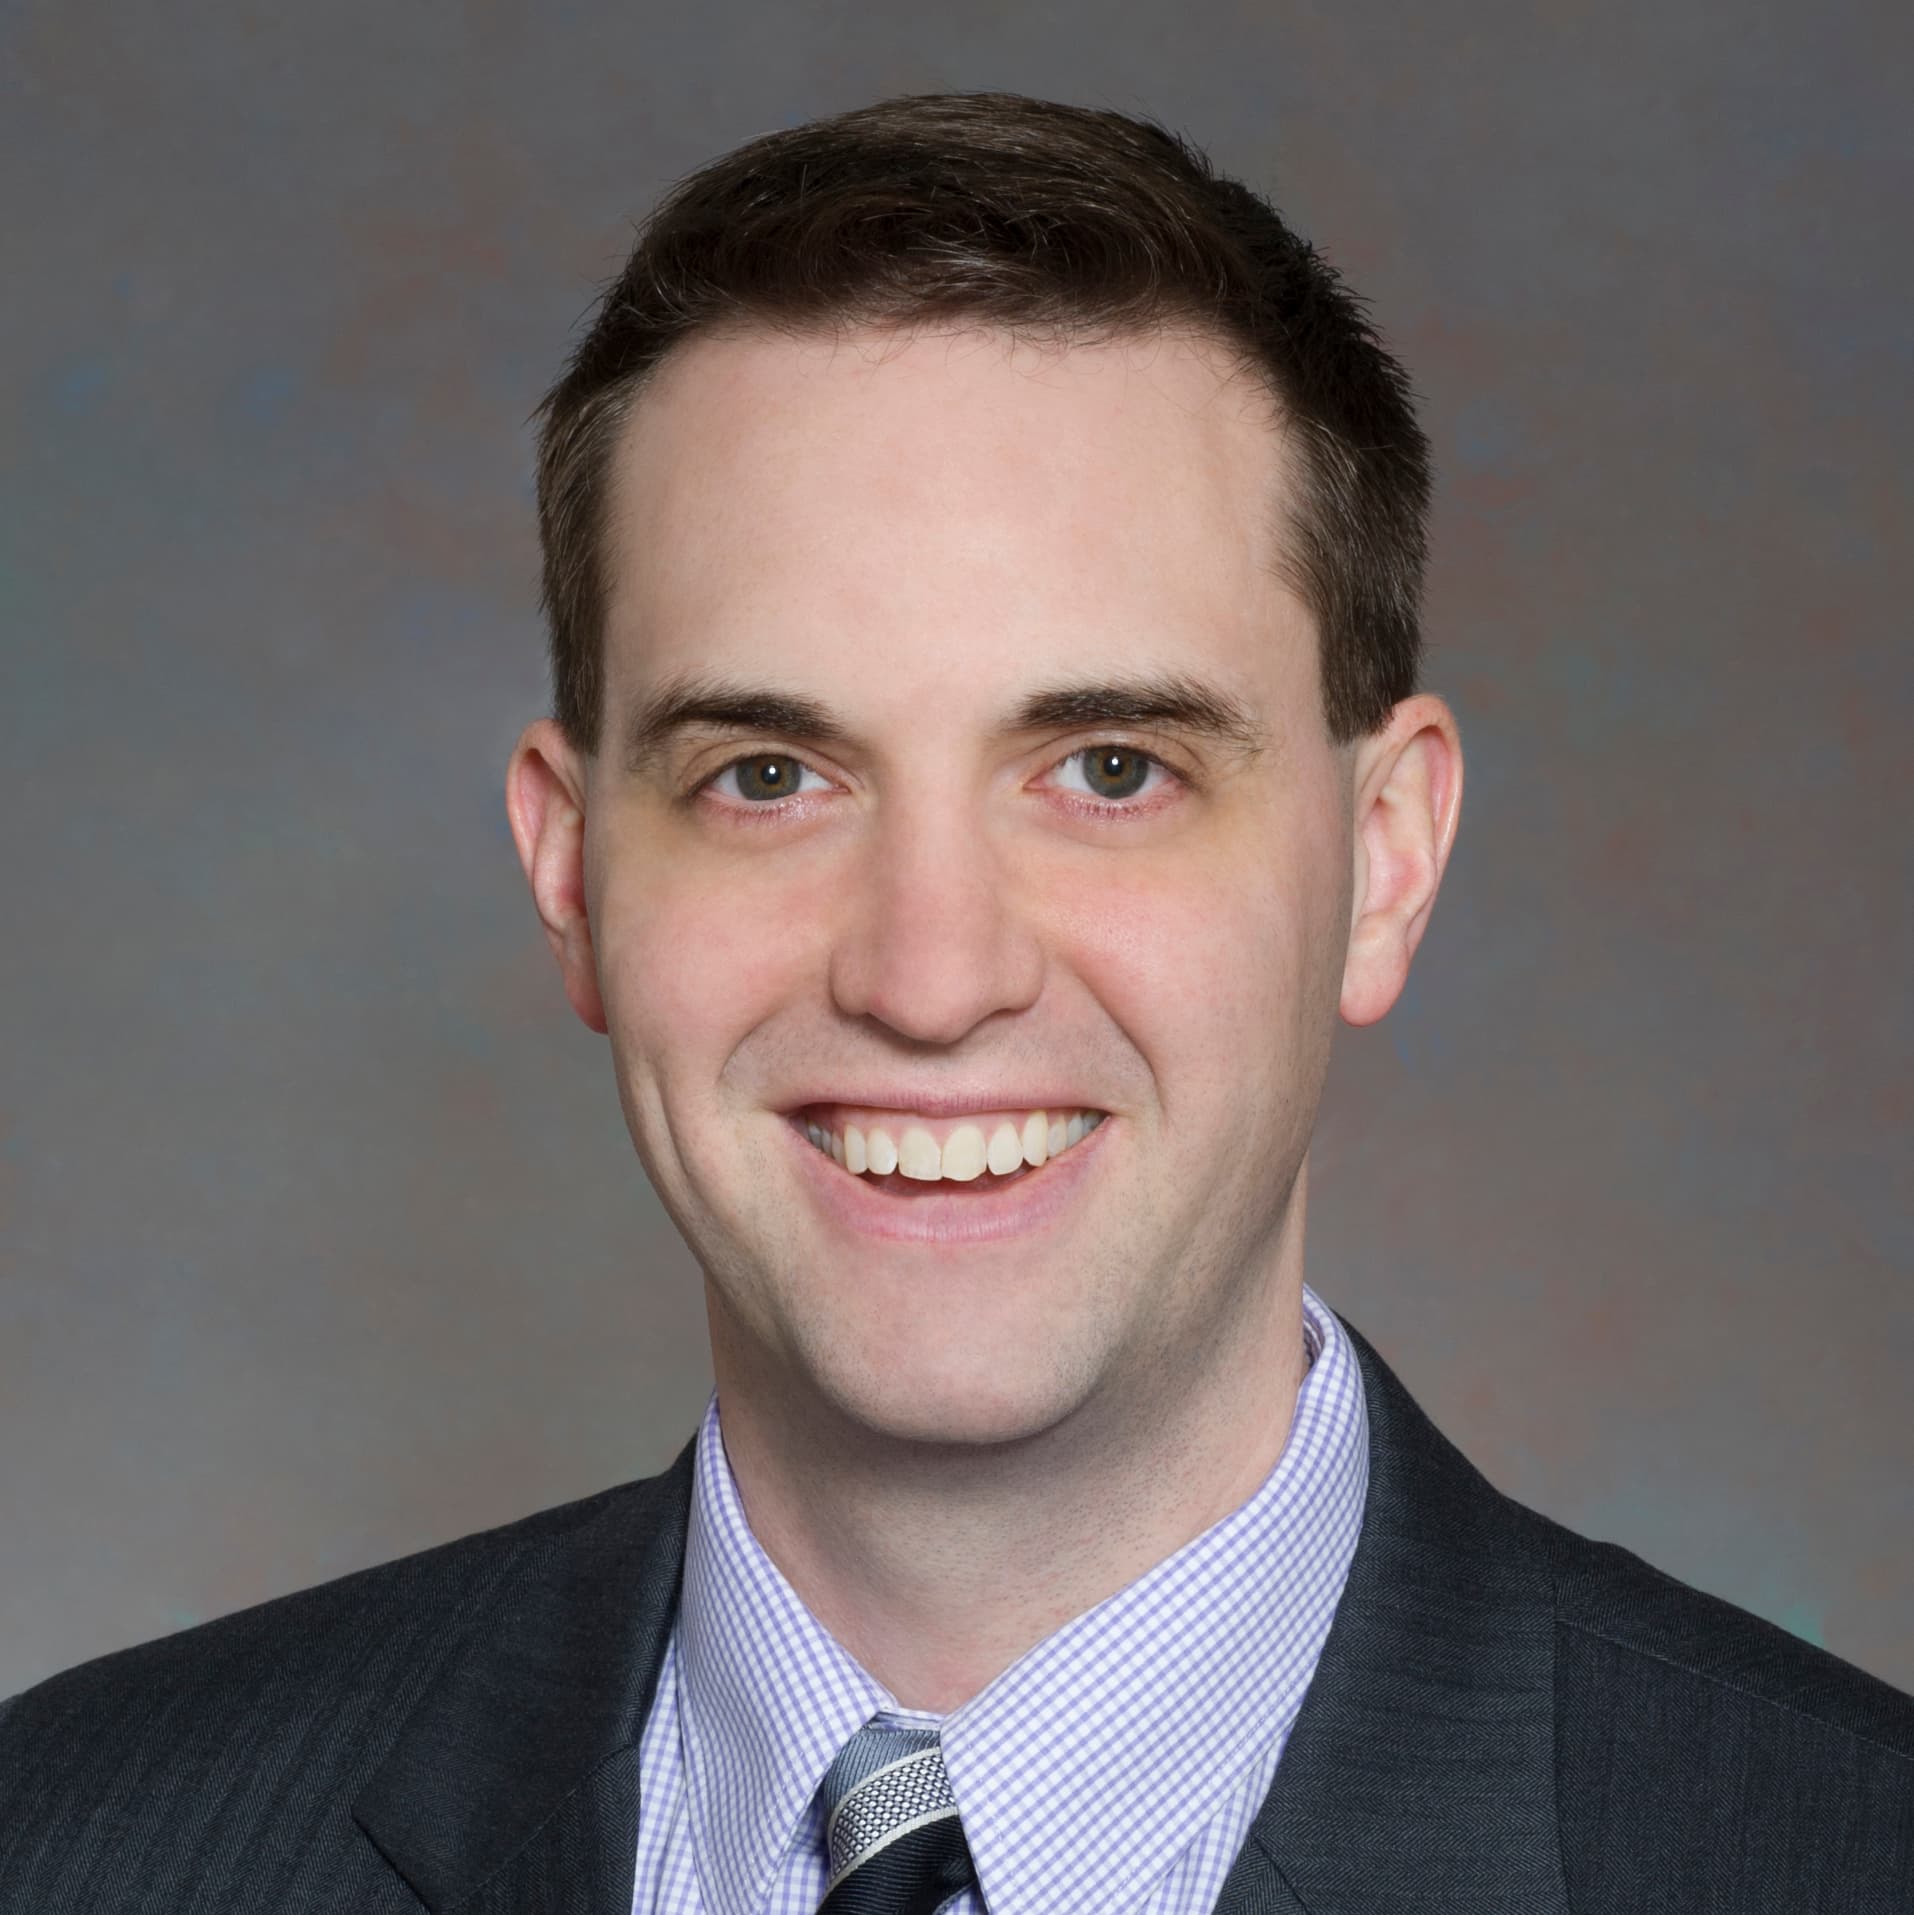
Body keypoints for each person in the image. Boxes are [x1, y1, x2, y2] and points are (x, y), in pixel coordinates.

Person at [3, 89, 1909, 1914]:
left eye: (1109, 771)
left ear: (1384, 858)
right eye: (768, 777)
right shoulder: (74, 1851)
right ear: (572, 873)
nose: (930, 978)